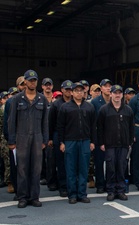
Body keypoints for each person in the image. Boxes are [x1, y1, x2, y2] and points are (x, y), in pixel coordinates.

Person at [8, 69, 49, 208]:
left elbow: (45, 122)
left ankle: (34, 197)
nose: (32, 83)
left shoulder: (42, 99)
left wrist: (44, 140)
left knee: (36, 169)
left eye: (34, 80)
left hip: (37, 138)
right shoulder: (17, 99)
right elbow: (11, 121)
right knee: (22, 169)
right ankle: (23, 197)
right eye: (30, 80)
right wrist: (12, 141)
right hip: (21, 138)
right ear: (25, 81)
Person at [57, 82, 96, 204]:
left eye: (81, 91)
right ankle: (72, 194)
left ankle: (82, 194)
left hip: (85, 141)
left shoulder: (89, 107)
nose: (79, 93)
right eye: (76, 91)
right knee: (71, 169)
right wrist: (62, 142)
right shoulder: (65, 107)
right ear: (72, 92)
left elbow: (93, 126)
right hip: (70, 142)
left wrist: (92, 141)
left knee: (83, 169)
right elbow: (60, 126)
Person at [97, 84, 134, 201]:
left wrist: (129, 141)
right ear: (111, 94)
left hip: (123, 144)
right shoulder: (104, 110)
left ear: (122, 95)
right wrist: (101, 143)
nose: (117, 95)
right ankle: (111, 190)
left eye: (119, 93)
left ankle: (121, 190)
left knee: (122, 167)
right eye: (115, 93)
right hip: (109, 144)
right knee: (111, 168)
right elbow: (100, 128)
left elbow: (131, 128)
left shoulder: (128, 110)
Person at [48, 80, 73, 197]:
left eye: (70, 89)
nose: (68, 91)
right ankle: (63, 187)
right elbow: (50, 122)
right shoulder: (56, 104)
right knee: (61, 162)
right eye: (66, 89)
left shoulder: (76, 103)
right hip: (58, 135)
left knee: (72, 163)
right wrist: (50, 138)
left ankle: (71, 185)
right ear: (62, 90)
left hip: (72, 135)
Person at [90, 78, 112, 193]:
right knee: (99, 162)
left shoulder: (114, 100)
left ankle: (109, 183)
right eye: (105, 86)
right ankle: (99, 184)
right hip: (100, 135)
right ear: (101, 88)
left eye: (109, 86)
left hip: (112, 136)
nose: (108, 88)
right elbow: (93, 122)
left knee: (111, 162)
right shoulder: (95, 102)